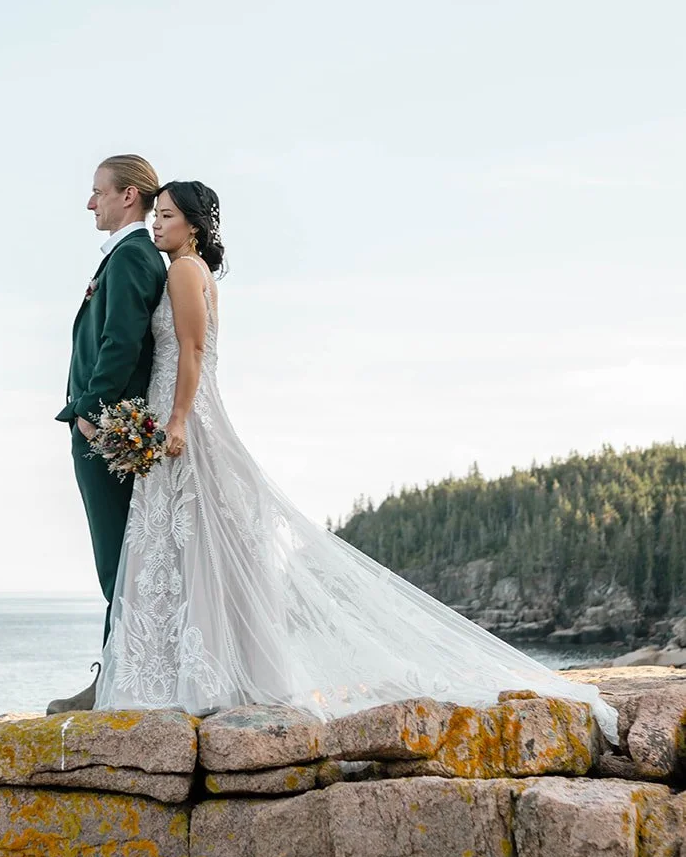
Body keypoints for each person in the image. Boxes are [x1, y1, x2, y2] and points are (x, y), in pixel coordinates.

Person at [93, 180, 618, 741]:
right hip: (185, 409)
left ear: (192, 225)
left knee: (191, 539)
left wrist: (174, 420)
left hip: (186, 414)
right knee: (199, 541)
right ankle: (201, 674)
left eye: (167, 216)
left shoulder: (182, 271)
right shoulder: (195, 273)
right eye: (157, 215)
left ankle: (189, 679)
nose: (157, 224)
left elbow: (192, 350)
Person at [47, 155, 166, 715]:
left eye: (98, 192)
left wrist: (86, 411)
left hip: (108, 433)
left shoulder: (132, 258)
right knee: (124, 558)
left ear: (128, 197)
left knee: (116, 560)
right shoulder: (131, 256)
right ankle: (125, 673)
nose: (90, 203)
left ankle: (116, 683)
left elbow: (121, 343)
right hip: (112, 427)